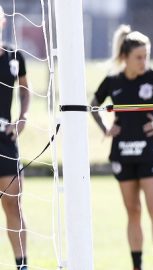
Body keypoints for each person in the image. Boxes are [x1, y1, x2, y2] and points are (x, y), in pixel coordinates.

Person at [90, 25, 153, 270]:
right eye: (138, 57)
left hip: (149, 153)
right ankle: (137, 266)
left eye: (146, 56)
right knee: (133, 211)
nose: (143, 61)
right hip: (122, 152)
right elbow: (93, 105)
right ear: (125, 57)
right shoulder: (113, 81)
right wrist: (106, 128)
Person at [0, 5, 31, 270]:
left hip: (5, 139)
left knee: (13, 202)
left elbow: (25, 91)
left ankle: (22, 265)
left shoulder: (14, 56)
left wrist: (22, 118)